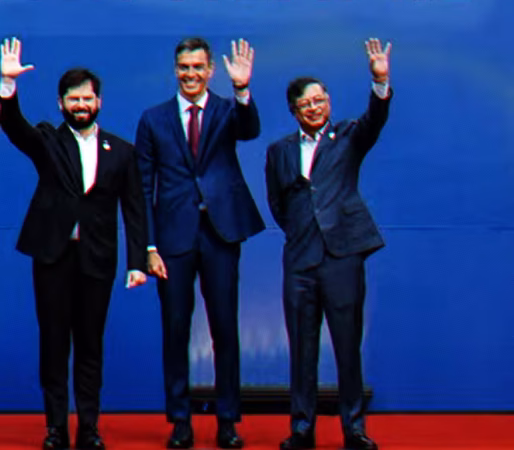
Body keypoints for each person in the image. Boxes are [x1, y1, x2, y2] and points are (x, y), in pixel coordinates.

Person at [0, 37, 153, 450]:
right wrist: (8, 87)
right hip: (52, 258)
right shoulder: (48, 139)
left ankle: (88, 428)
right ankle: (54, 429)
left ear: (99, 102)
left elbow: (135, 211)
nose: (80, 105)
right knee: (53, 345)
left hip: (97, 261)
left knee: (90, 347)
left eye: (87, 98)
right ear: (61, 103)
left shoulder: (121, 151)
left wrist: (138, 261)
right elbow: (14, 128)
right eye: (73, 99)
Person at [134, 37, 265, 449]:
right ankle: (180, 421)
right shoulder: (153, 119)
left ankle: (227, 420)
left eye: (198, 67)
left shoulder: (228, 111)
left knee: (225, 329)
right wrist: (148, 247)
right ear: (176, 69)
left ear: (211, 70)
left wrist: (242, 90)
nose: (191, 74)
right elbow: (142, 187)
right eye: (184, 67)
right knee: (174, 330)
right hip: (172, 240)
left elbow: (250, 129)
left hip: (220, 234)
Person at [265, 39, 392, 450]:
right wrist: (303, 232)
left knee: (346, 346)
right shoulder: (279, 151)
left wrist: (380, 80)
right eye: (306, 104)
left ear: (328, 102)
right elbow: (278, 205)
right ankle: (302, 429)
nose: (315, 108)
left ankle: (354, 429)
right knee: (302, 350)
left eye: (320, 100)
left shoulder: (349, 136)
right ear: (294, 111)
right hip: (300, 260)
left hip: (342, 258)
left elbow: (376, 118)